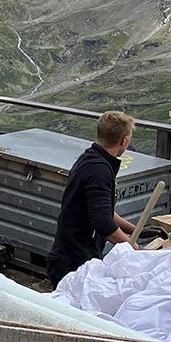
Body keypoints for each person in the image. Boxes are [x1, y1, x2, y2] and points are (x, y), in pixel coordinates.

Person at [45, 111, 140, 285]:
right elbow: (103, 222)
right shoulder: (99, 171)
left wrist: (133, 230)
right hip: (74, 263)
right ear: (124, 141)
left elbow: (103, 210)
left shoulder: (90, 159)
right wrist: (131, 247)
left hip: (74, 255)